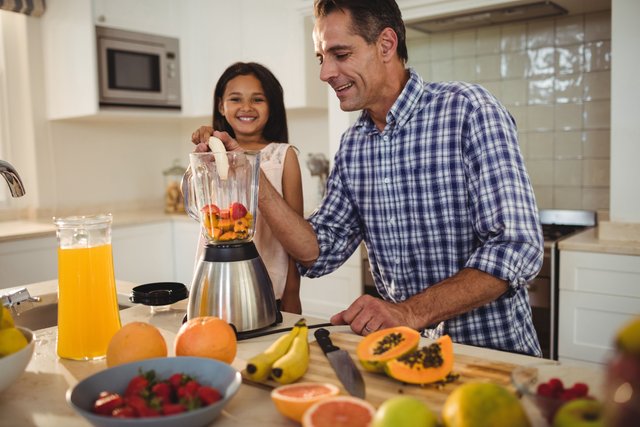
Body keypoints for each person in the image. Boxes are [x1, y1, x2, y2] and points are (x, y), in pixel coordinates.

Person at [193, 0, 544, 356]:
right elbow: (318, 251)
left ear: (386, 45)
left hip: (492, 357)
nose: (325, 73)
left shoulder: (468, 110)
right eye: (321, 58)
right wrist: (248, 172)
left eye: (340, 54)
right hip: (404, 353)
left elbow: (518, 247)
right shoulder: (354, 145)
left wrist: (408, 311)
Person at [191, 62, 304, 314]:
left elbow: (297, 237)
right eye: (235, 99)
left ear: (271, 106)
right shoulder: (211, 154)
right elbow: (193, 200)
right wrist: (207, 148)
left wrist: (293, 293)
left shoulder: (282, 156)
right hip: (216, 282)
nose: (246, 107)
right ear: (222, 105)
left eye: (258, 99)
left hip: (271, 287)